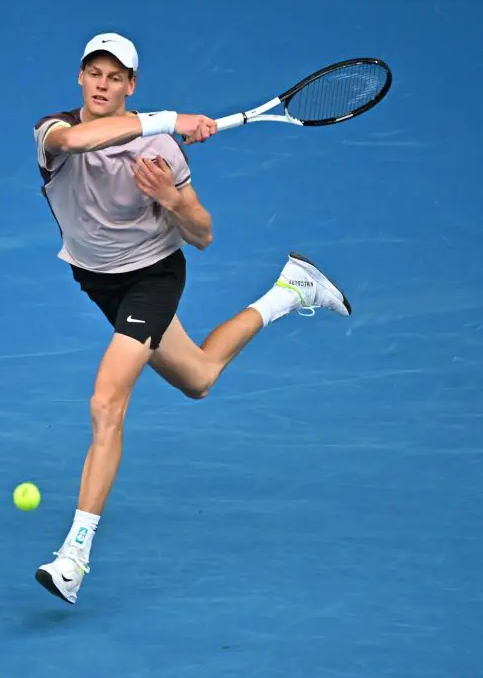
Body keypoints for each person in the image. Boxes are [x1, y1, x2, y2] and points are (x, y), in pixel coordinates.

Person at [32, 32, 352, 604]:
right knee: (199, 378)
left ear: (131, 86)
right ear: (80, 77)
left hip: (153, 277)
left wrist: (173, 198)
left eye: (115, 77)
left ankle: (74, 557)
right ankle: (289, 292)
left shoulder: (162, 151)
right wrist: (171, 118)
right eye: (94, 73)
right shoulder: (54, 132)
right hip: (98, 280)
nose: (102, 85)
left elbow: (201, 235)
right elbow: (79, 140)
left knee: (107, 401)